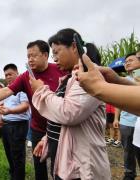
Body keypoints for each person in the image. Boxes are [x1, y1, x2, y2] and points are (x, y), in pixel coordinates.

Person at [0, 40, 65, 180]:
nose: (30, 59)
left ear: (46, 55)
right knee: (39, 164)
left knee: (58, 166)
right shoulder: (25, 77)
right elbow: (6, 90)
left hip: (58, 128)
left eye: (34, 55)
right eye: (28, 56)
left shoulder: (60, 70)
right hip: (37, 128)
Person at [30, 28, 111, 179]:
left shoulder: (87, 76)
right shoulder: (69, 79)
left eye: (57, 52)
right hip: (66, 161)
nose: (54, 59)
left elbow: (69, 113)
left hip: (81, 167)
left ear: (74, 47)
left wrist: (41, 91)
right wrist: (48, 137)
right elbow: (61, 119)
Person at [0, 63, 30, 180]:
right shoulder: (7, 90)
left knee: (17, 155)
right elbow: (4, 106)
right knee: (9, 152)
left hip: (18, 125)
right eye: (6, 75)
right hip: (6, 124)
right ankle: (13, 174)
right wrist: (0, 119)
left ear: (17, 73)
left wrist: (9, 111)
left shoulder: (22, 88)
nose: (8, 77)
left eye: (10, 74)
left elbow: (25, 106)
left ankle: (18, 177)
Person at [111, 53, 140, 179]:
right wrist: (117, 118)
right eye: (126, 61)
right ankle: (129, 173)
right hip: (126, 122)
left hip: (138, 122)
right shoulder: (123, 80)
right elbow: (119, 102)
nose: (127, 63)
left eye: (131, 60)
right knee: (128, 151)